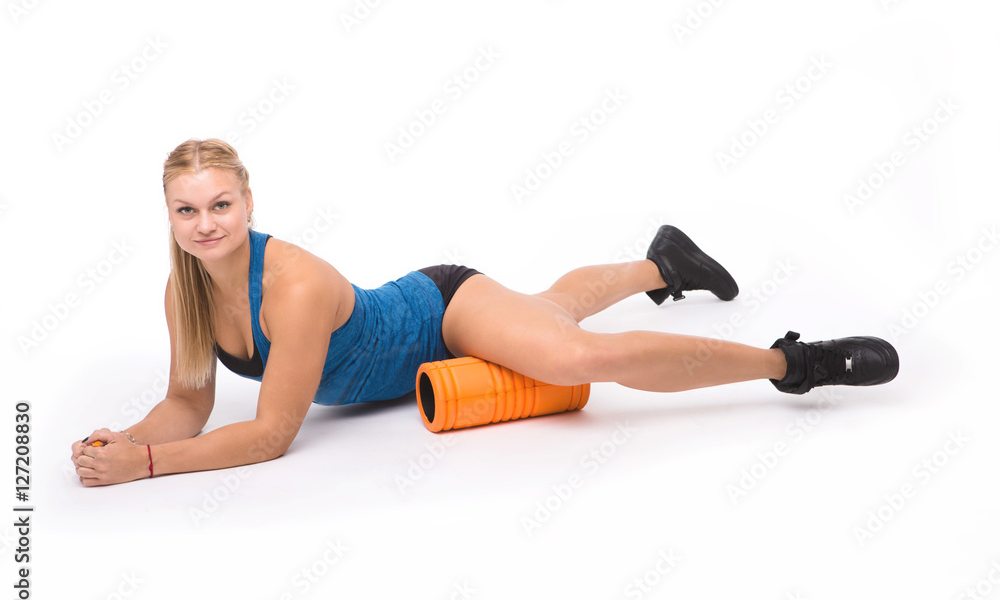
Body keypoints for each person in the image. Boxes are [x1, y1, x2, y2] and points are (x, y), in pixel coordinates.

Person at [70, 138, 899, 486]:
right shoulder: (183, 291)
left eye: (221, 203)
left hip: (440, 312)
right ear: (169, 217)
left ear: (248, 199)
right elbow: (189, 402)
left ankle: (794, 362)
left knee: (574, 358)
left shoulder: (291, 284)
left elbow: (271, 435)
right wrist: (125, 440)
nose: (207, 224)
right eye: (188, 211)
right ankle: (664, 261)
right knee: (549, 312)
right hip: (411, 359)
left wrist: (145, 471)